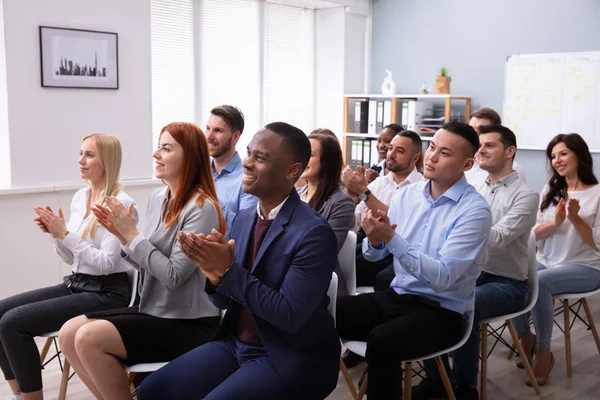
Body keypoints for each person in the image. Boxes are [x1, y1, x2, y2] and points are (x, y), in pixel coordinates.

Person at [137, 122, 340, 400]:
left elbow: (289, 316)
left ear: (292, 170)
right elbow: (223, 302)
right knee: (152, 390)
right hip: (236, 343)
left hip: (286, 354)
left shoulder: (314, 233)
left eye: (260, 157)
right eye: (248, 154)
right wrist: (214, 275)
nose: (246, 163)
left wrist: (228, 272)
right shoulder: (245, 219)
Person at [57, 122, 224, 400]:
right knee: (68, 333)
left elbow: (173, 276)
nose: (156, 154)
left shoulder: (201, 208)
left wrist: (131, 235)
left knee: (88, 338)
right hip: (153, 310)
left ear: (191, 157)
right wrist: (122, 237)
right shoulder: (159, 198)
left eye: (166, 148)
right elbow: (148, 261)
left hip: (188, 322)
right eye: (159, 146)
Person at [336, 121, 492, 399]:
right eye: (432, 147)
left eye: (445, 153)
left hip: (444, 311)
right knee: (327, 311)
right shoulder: (408, 196)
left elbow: (442, 277)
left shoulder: (475, 211)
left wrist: (391, 239)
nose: (432, 157)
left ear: (467, 165)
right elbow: (377, 255)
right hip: (399, 295)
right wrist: (374, 240)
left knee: (382, 341)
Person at [0, 134, 135, 400]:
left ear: (107, 160)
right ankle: (19, 395)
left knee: (13, 323)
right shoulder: (81, 197)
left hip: (108, 293)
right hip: (78, 283)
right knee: (1, 312)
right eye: (80, 153)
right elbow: (73, 258)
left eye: (89, 155)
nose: (80, 161)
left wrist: (66, 235)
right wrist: (56, 234)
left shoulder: (122, 203)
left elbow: (107, 264)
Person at [414, 125, 539, 399]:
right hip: (473, 273)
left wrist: (462, 228)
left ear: (510, 151)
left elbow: (496, 238)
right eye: (479, 145)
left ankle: (463, 387)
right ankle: (437, 380)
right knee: (424, 293)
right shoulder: (473, 188)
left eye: (489, 145)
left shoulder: (526, 195)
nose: (481, 150)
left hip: (508, 283)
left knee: (464, 303)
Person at [513, 133, 600, 386]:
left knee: (540, 282)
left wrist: (575, 218)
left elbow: (597, 244)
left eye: (563, 154)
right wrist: (556, 222)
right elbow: (535, 232)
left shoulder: (597, 194)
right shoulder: (550, 189)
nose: (556, 161)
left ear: (579, 156)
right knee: (513, 273)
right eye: (553, 156)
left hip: (586, 266)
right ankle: (524, 336)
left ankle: (543, 352)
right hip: (548, 259)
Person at [344, 130, 424, 288]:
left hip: (397, 250)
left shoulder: (422, 188)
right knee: (336, 259)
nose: (391, 154)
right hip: (372, 242)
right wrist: (351, 200)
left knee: (356, 269)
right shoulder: (379, 183)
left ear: (416, 158)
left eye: (399, 151)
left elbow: (399, 222)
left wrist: (363, 192)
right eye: (390, 148)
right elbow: (356, 222)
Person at [298, 132, 354, 295]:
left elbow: (325, 252)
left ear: (327, 162)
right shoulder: (294, 195)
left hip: (319, 284)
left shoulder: (341, 202)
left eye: (311, 154)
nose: (303, 157)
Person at [206, 105, 258, 230]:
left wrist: (209, 201)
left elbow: (244, 228)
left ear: (235, 137)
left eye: (218, 130)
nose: (209, 136)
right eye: (208, 128)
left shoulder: (248, 177)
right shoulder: (197, 169)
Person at [465, 107, 527, 186]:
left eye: (481, 129)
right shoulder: (466, 163)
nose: (474, 133)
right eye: (471, 128)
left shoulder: (513, 170)